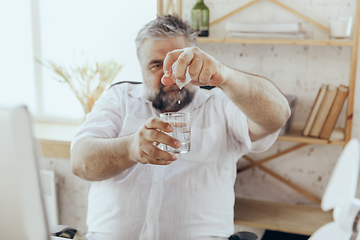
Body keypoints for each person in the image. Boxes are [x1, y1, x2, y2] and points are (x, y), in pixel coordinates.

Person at [70, 15, 291, 240]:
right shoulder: (119, 99)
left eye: (177, 63)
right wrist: (130, 148)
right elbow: (80, 162)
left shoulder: (220, 104)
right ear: (140, 68)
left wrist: (226, 75)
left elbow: (278, 115)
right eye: (156, 65)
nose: (169, 76)